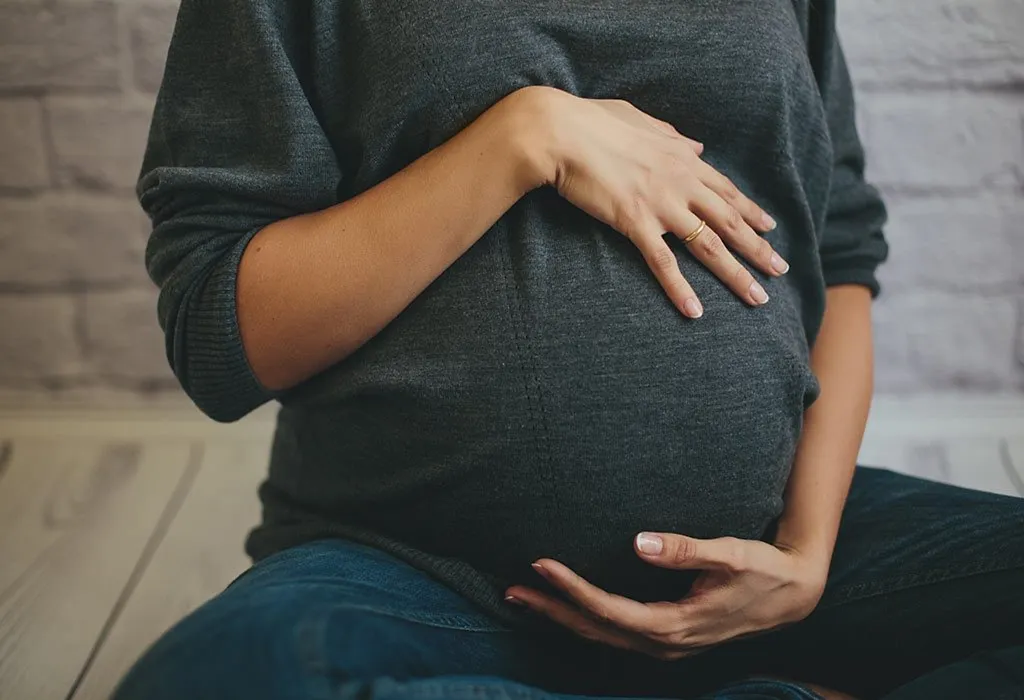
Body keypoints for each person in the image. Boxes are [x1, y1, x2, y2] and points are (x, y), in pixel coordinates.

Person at [113, 1, 1024, 698]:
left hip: (758, 564)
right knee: (218, 676)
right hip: (416, 565)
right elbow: (220, 336)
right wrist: (522, 137)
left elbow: (841, 250)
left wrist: (806, 556)